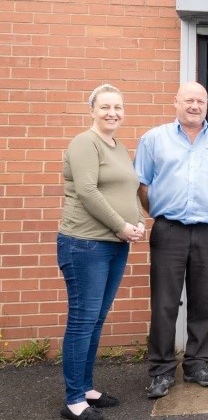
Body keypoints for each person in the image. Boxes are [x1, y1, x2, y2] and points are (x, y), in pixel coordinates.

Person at [135, 82, 208, 399]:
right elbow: (142, 184)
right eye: (189, 100)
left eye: (200, 101)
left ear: (206, 104)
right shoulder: (154, 139)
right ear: (176, 102)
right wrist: (158, 211)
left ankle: (197, 365)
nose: (195, 106)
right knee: (164, 303)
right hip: (169, 231)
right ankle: (161, 370)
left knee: (205, 302)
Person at [57, 84, 145, 420]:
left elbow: (129, 190)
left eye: (118, 107)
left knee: (96, 318)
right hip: (85, 244)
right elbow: (87, 191)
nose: (112, 113)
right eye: (105, 106)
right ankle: (73, 400)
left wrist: (138, 222)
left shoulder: (119, 147)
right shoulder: (85, 142)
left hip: (114, 245)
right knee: (83, 319)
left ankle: (85, 388)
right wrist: (122, 226)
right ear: (92, 110)